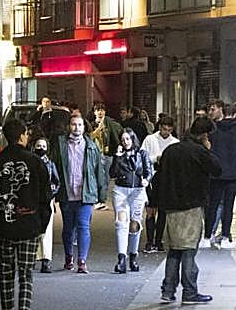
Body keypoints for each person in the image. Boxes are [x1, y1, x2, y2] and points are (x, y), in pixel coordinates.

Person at [0, 119, 52, 310]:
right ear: (22, 136)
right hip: (30, 226)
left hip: (3, 227)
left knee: (5, 276)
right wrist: (41, 226)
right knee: (26, 274)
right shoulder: (36, 162)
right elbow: (46, 199)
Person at [150, 117, 222, 304]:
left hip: (170, 207)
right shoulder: (199, 151)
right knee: (189, 250)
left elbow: (158, 178)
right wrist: (208, 149)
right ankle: (189, 291)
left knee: (174, 249)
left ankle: (168, 290)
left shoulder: (171, 151)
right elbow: (217, 169)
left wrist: (153, 202)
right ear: (205, 135)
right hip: (191, 206)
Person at [49, 113, 108, 273]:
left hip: (86, 193)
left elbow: (99, 171)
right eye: (74, 124)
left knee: (83, 226)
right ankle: (69, 257)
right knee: (68, 228)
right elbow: (52, 166)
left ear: (84, 127)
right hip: (67, 193)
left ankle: (82, 261)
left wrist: (102, 194)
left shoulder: (91, 146)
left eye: (80, 125)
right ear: (69, 126)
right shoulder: (61, 145)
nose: (77, 128)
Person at [204, 102, 236, 249]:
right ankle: (225, 236)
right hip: (234, 174)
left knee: (213, 205)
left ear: (223, 112)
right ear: (235, 114)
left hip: (217, 173)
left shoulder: (214, 131)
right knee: (229, 206)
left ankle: (207, 236)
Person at [110, 129, 153, 274]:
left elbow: (149, 170)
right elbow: (112, 173)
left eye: (128, 139)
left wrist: (146, 180)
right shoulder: (119, 155)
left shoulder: (142, 154)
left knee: (134, 224)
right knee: (121, 222)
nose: (125, 142)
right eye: (123, 139)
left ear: (133, 139)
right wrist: (117, 157)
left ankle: (133, 256)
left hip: (138, 191)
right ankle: (121, 258)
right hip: (121, 190)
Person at [140, 115, 178, 253]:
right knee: (150, 210)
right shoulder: (150, 139)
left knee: (163, 211)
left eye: (168, 130)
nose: (165, 132)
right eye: (163, 129)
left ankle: (159, 240)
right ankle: (149, 241)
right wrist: (155, 158)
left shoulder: (175, 142)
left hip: (166, 178)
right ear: (159, 127)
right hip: (152, 177)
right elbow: (142, 157)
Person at [31, 137, 61, 274]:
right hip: (32, 200)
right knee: (33, 230)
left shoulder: (50, 164)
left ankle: (46, 260)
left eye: (43, 146)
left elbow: (57, 182)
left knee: (47, 231)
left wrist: (50, 194)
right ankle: (32, 258)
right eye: (38, 145)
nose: (41, 148)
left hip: (46, 200)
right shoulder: (30, 162)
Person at [88, 101, 123, 177]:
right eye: (98, 110)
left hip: (107, 154)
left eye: (102, 110)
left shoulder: (109, 123)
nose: (100, 112)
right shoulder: (91, 125)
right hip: (95, 154)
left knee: (106, 175)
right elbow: (90, 137)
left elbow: (116, 133)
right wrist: (99, 128)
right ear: (94, 112)